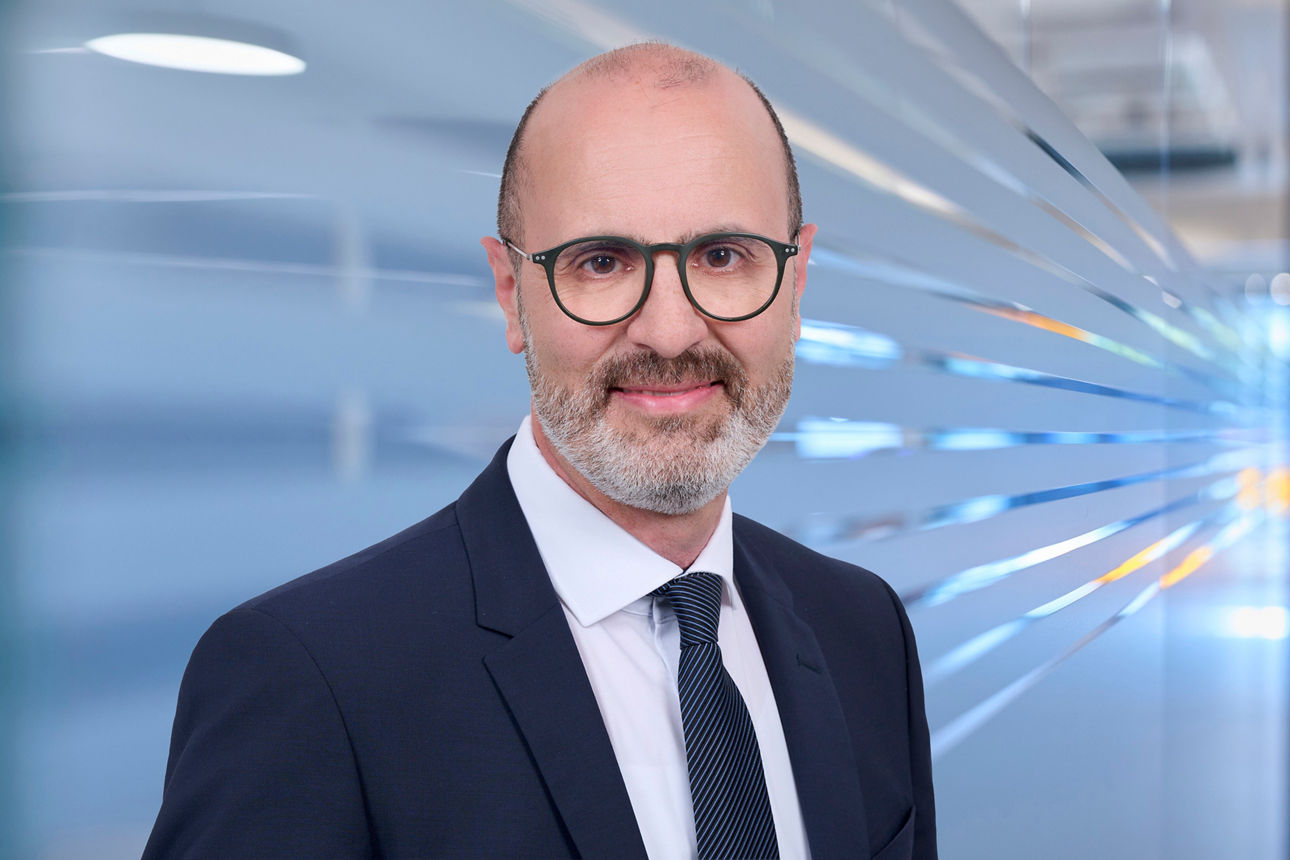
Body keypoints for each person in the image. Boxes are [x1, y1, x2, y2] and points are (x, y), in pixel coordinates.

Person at [144, 43, 936, 860]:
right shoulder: (310, 678)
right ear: (509, 292)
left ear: (796, 285)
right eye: (602, 262)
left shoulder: (862, 631)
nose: (670, 332)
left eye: (723, 256)